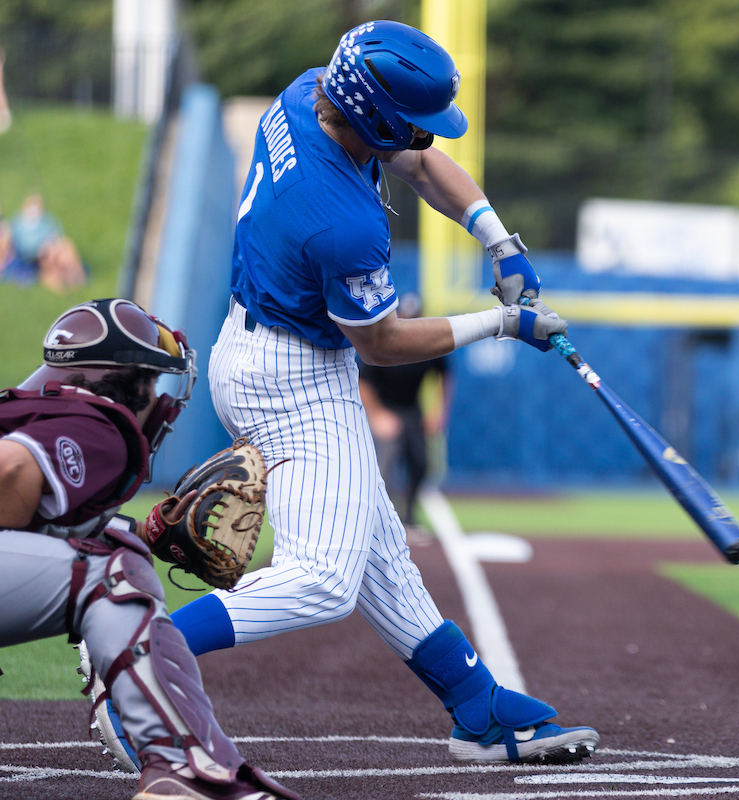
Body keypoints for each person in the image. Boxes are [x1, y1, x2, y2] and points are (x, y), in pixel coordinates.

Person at [91, 20, 597, 775]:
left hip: (268, 348)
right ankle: (132, 656)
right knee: (323, 580)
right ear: (374, 114)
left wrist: (500, 240)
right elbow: (384, 342)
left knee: (378, 550)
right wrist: (502, 321)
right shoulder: (340, 223)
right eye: (413, 122)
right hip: (293, 377)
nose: (425, 136)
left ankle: (477, 707)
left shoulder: (310, 90)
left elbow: (421, 165)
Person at [0, 298, 300, 800]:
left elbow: (42, 522)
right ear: (124, 381)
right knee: (114, 572)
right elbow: (10, 471)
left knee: (115, 547)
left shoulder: (28, 409)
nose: (158, 398)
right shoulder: (99, 424)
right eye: (152, 381)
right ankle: (183, 766)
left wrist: (145, 530)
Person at [358, 293, 450, 541]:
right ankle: (381, 526)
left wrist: (437, 412)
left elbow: (445, 375)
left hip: (412, 410)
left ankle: (408, 518)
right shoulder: (384, 344)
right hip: (386, 409)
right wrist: (378, 416)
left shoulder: (426, 345)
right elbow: (363, 384)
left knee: (421, 463)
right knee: (384, 467)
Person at [10, 193, 88, 293]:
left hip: (51, 250)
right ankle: (70, 279)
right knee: (55, 254)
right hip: (33, 255)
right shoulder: (18, 223)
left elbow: (57, 235)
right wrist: (39, 248)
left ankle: (76, 275)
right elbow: (19, 246)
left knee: (66, 245)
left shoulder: (47, 220)